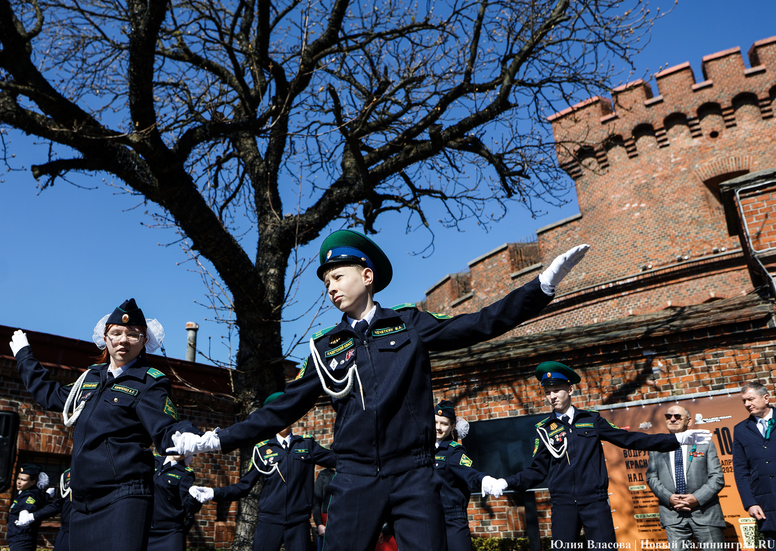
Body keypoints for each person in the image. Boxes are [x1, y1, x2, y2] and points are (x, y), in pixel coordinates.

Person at [181, 230, 591, 551]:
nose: (330, 287)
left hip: (413, 473)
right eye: (326, 281)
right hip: (355, 478)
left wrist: (541, 287)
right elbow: (283, 407)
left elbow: (481, 323)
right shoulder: (325, 347)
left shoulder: (410, 324)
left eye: (337, 276)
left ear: (367, 275)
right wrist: (217, 438)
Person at [10, 298, 202, 551]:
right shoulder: (89, 378)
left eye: (133, 335)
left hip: (123, 495)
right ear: (106, 337)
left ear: (144, 341)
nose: (123, 340)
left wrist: (188, 436)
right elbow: (49, 395)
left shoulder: (149, 382)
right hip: (83, 498)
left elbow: (166, 425)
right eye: (117, 333)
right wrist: (25, 357)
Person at [487, 362, 712, 546]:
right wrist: (506, 482)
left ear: (570, 390)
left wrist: (676, 439)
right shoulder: (545, 429)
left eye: (556, 390)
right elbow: (536, 471)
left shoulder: (591, 420)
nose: (551, 396)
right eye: (547, 392)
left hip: (594, 501)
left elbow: (630, 439)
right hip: (563, 504)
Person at [189, 393, 336, 551]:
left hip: (298, 523)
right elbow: (244, 486)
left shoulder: (307, 445)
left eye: (288, 412)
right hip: (269, 522)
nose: (284, 418)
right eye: (278, 414)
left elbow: (339, 460)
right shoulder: (262, 450)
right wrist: (212, 493)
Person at [646, 404, 725, 551]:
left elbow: (717, 477)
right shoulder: (656, 447)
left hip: (704, 512)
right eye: (668, 417)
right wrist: (669, 497)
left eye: (677, 416)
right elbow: (651, 478)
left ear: (688, 421)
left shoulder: (705, 444)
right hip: (672, 514)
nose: (673, 419)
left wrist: (696, 498)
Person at [732, 380, 776, 545]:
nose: (747, 404)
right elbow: (741, 470)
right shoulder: (741, 430)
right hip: (766, 507)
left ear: (766, 398)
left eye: (751, 399)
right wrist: (750, 503)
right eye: (744, 401)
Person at [432, 400, 487, 551]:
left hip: (452, 519)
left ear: (452, 427)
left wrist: (485, 481)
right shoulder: (424, 450)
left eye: (443, 423)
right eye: (435, 422)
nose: (438, 427)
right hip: (429, 519)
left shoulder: (454, 451)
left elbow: (470, 474)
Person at [149, 452, 202, 551]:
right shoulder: (153, 461)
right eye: (179, 445)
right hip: (145, 531)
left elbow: (189, 506)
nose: (181, 451)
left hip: (169, 534)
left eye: (185, 449)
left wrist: (196, 499)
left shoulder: (186, 473)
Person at [7, 463, 53, 551]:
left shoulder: (29, 496)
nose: (19, 482)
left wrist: (25, 512)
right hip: (17, 539)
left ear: (33, 482)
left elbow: (28, 508)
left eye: (23, 480)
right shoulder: (24, 493)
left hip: (22, 541)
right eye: (18, 478)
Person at [313, 467, 335, 551]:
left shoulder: (349, 473)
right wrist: (319, 524)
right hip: (326, 524)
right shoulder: (324, 475)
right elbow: (316, 502)